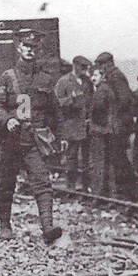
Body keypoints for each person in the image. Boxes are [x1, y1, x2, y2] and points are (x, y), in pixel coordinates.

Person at [0, 29, 63, 243]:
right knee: (6, 184)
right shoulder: (8, 76)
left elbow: (55, 110)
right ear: (19, 48)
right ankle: (5, 226)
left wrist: (61, 135)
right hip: (11, 141)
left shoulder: (45, 79)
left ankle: (48, 227)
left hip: (34, 142)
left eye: (34, 48)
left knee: (42, 182)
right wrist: (7, 119)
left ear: (38, 51)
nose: (30, 50)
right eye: (27, 46)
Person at [94, 52, 135, 197]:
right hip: (118, 123)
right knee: (117, 157)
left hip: (120, 124)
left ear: (108, 64)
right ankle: (123, 190)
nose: (101, 68)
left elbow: (124, 99)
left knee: (119, 157)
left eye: (101, 65)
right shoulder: (114, 76)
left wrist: (112, 114)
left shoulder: (116, 76)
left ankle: (128, 190)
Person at [55, 55, 92, 189]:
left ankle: (86, 185)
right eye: (82, 67)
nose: (85, 70)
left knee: (87, 158)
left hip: (86, 125)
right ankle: (70, 185)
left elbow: (91, 100)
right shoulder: (64, 82)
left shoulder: (87, 82)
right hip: (71, 125)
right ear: (75, 66)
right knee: (72, 157)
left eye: (86, 68)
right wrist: (71, 99)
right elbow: (56, 103)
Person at [88, 66, 117, 194]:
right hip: (108, 130)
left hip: (99, 130)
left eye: (95, 75)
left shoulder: (101, 91)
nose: (92, 78)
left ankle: (97, 191)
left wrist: (90, 118)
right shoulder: (107, 89)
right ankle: (109, 191)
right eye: (91, 75)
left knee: (98, 162)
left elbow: (98, 109)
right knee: (107, 162)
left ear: (103, 76)